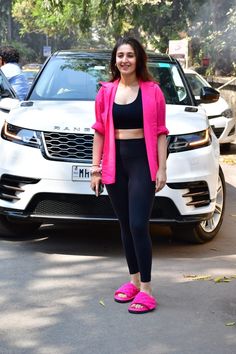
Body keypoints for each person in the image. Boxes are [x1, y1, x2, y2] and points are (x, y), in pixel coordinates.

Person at [90, 37, 169, 314]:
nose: (125, 60)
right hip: (114, 164)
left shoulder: (153, 91)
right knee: (124, 224)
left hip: (142, 164)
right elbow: (99, 131)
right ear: (115, 60)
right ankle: (133, 281)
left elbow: (160, 132)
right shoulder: (106, 91)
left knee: (138, 224)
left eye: (130, 55)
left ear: (139, 59)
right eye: (120, 55)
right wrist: (96, 168)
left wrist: (162, 167)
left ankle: (147, 289)